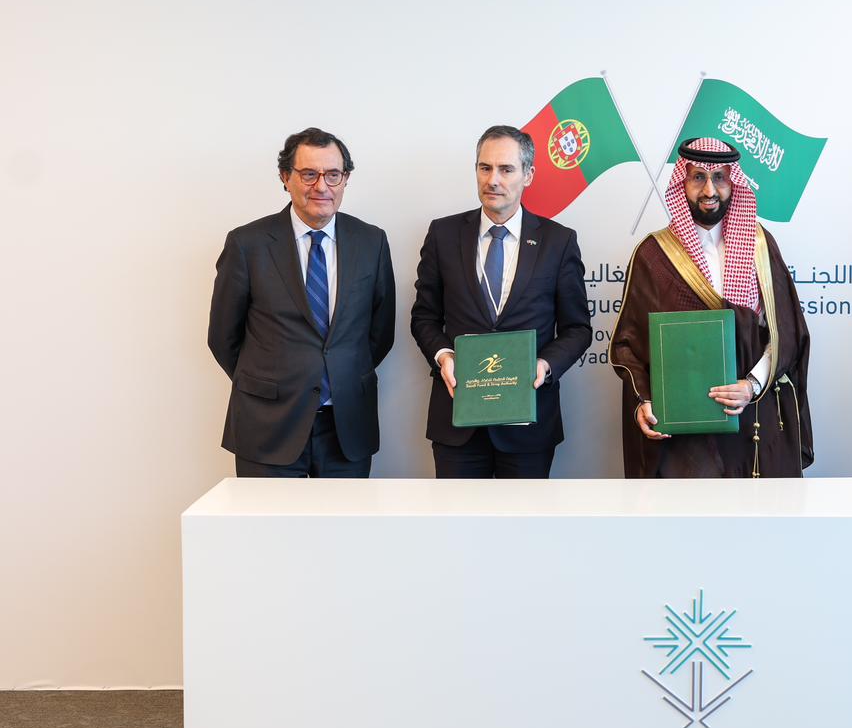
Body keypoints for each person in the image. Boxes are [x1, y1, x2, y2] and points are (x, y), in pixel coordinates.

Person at [609, 138, 812, 478]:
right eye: (698, 177)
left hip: (753, 419)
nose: (709, 190)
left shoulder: (760, 247)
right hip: (684, 432)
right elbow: (628, 345)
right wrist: (644, 400)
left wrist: (752, 384)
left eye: (719, 177)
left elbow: (786, 331)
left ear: (733, 182)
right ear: (682, 182)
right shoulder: (654, 255)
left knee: (757, 512)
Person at [208, 127, 395, 477]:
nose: (321, 186)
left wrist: (339, 372)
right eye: (309, 174)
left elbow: (380, 333)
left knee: (345, 517)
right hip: (268, 424)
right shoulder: (247, 244)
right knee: (268, 517)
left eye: (333, 174)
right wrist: (275, 383)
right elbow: (222, 336)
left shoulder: (372, 242)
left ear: (345, 179)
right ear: (285, 177)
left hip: (346, 425)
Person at [410, 125, 590, 478]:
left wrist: (544, 365)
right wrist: (444, 356)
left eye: (506, 169)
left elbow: (577, 328)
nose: (493, 180)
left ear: (528, 175)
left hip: (528, 424)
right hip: (457, 421)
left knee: (525, 516)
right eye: (485, 168)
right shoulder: (443, 234)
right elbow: (424, 317)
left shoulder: (558, 241)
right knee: (457, 516)